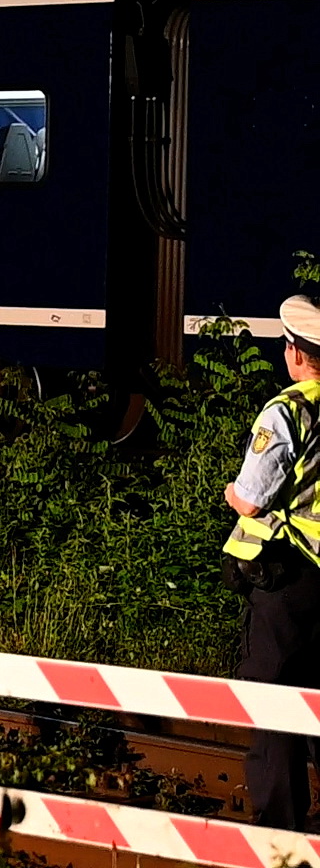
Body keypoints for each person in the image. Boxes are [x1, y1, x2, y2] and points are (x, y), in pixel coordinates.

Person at [221, 294, 320, 832]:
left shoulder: (288, 410)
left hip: (290, 575)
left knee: (274, 696)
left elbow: (254, 498)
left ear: (296, 354)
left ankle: (280, 827)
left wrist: (231, 492)